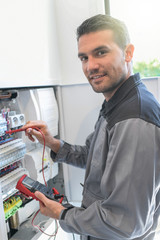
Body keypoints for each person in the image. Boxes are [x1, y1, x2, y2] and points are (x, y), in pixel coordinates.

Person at [23, 14, 160, 240]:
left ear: (128, 52)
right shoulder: (115, 103)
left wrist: (63, 214)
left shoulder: (134, 118)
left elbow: (124, 223)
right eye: (84, 58)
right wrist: (52, 142)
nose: (91, 66)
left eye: (101, 52)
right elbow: (94, 158)